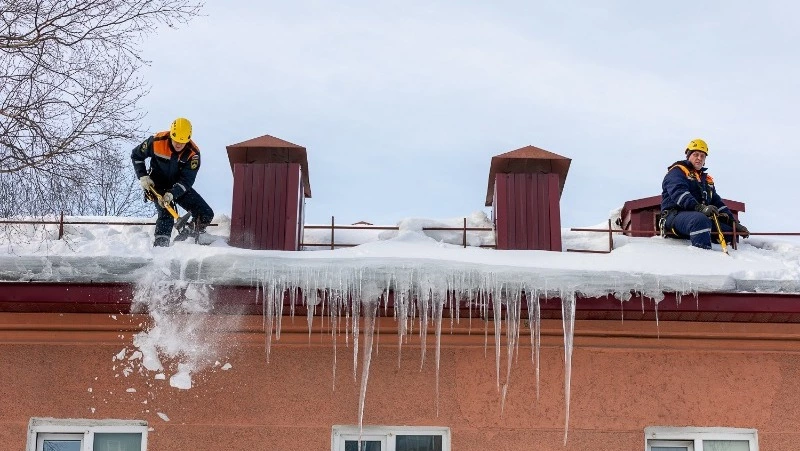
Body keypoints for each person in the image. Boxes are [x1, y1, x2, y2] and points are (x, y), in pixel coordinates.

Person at [131, 117, 214, 247]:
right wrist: (143, 176)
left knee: (205, 213)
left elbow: (187, 180)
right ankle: (161, 246)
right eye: (176, 140)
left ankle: (188, 239)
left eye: (182, 142)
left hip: (178, 187)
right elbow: (136, 155)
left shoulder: (193, 154)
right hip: (157, 185)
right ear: (171, 135)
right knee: (166, 215)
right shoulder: (157, 141)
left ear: (188, 139)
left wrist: (172, 194)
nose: (178, 145)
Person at [660, 138, 749, 250]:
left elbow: (717, 202)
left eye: (702, 156)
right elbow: (679, 194)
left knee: (729, 231)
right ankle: (704, 256)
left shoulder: (706, 180)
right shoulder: (677, 172)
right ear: (688, 155)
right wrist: (701, 208)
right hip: (675, 216)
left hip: (699, 215)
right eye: (696, 154)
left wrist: (733, 223)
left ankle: (734, 257)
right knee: (700, 220)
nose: (699, 158)